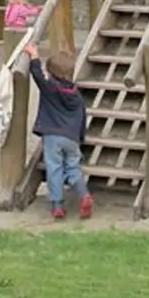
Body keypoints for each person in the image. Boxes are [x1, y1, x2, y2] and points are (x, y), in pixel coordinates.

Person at [24, 43, 92, 220]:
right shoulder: (76, 94)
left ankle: (57, 205)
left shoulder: (50, 88)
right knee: (73, 167)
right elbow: (82, 116)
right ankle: (84, 195)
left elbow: (37, 75)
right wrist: (80, 138)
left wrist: (34, 55)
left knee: (54, 168)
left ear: (51, 73)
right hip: (71, 137)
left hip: (53, 136)